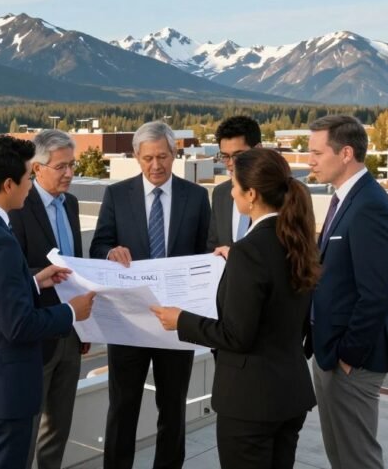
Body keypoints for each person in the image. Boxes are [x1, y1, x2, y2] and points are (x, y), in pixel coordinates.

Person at [151, 148, 320, 468]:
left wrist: (180, 320)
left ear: (252, 194)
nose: (230, 191)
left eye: (234, 184)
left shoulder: (250, 252)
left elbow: (236, 335)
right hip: (290, 392)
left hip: (250, 402)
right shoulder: (296, 242)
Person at [0, 135, 96, 469]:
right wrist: (72, 311)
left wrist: (32, 281)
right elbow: (18, 325)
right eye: (29, 177)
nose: (31, 185)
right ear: (9, 184)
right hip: (2, 393)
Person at [89, 121, 211, 469]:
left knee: (173, 410)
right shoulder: (116, 194)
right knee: (122, 408)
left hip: (176, 324)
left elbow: (205, 251)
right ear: (135, 157)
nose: (155, 165)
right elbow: (99, 244)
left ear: (175, 154)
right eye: (147, 158)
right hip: (129, 322)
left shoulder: (196, 197)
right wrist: (110, 253)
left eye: (162, 156)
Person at [307, 115, 388, 469]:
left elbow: (376, 294)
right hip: (332, 353)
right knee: (342, 457)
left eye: (317, 152)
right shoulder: (346, 200)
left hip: (351, 362)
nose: (309, 161)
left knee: (357, 459)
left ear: (346, 153)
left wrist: (348, 357)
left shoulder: (369, 206)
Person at [8, 129, 88, 469]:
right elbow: (14, 275)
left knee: (58, 427)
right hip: (37, 337)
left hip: (73, 331)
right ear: (37, 169)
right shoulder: (17, 208)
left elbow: (76, 263)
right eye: (61, 167)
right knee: (27, 432)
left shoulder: (71, 203)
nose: (69, 173)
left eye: (72, 165)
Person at [207, 116, 261, 250]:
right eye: (225, 156)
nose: (231, 163)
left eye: (239, 155)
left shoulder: (286, 193)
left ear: (259, 149)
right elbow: (213, 247)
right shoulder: (220, 194)